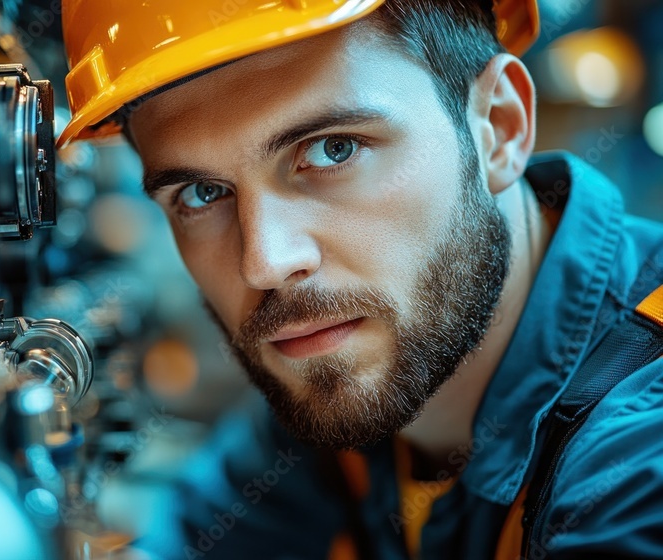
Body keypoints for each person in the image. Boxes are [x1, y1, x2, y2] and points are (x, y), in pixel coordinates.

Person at [57, 1, 663, 558]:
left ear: (499, 128)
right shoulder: (347, 385)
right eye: (202, 193)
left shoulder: (639, 460)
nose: (265, 263)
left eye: (334, 150)